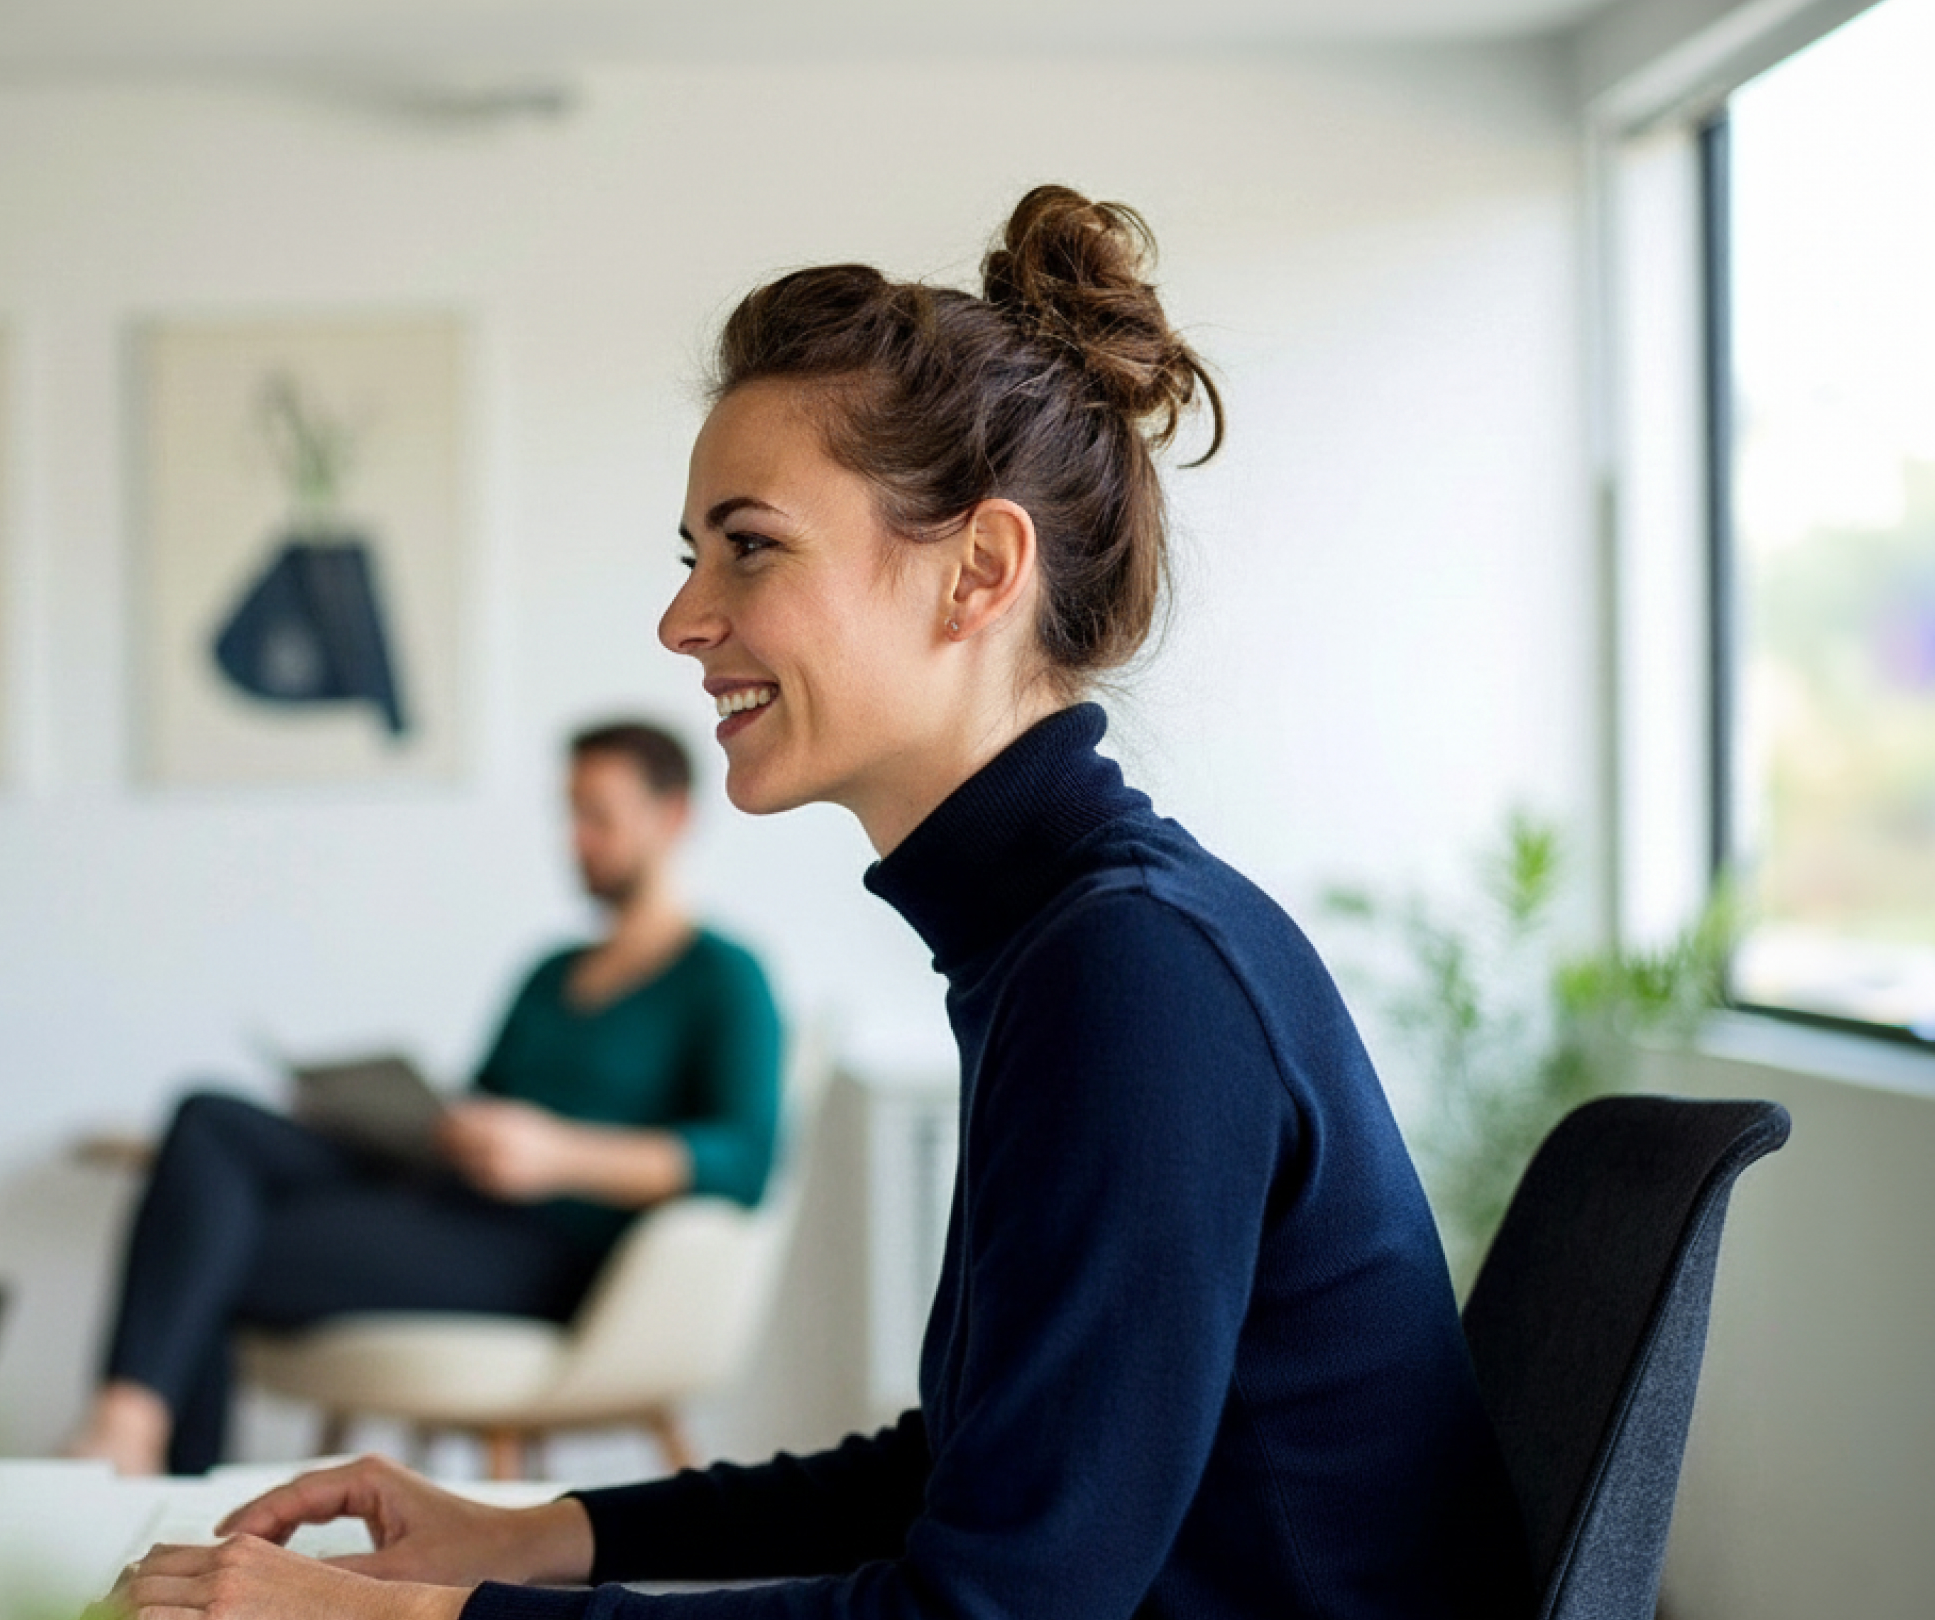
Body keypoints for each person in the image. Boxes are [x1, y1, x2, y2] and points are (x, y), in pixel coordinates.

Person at [106, 185, 1532, 1618]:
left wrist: (417, 1618)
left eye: (749, 545)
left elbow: (986, 1611)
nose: (682, 621)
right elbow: (966, 1471)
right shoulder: (1064, 943)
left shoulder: (1132, 976)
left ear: (977, 572)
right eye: (691, 557)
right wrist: (519, 1539)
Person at [69, 721, 786, 1478]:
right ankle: (134, 1432)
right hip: (450, 1194)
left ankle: (147, 1467)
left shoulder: (724, 978)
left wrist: (559, 1155)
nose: (574, 838)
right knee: (208, 1118)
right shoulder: (551, 972)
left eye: (597, 815)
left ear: (672, 817)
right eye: (567, 813)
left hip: (547, 1252)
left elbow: (745, 1159)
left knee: (207, 1240)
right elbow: (484, 1099)